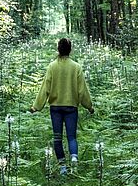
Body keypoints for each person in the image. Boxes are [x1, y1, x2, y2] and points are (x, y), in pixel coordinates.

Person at [30, 38, 94, 175]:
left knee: (57, 138)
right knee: (72, 137)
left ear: (58, 49)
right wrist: (89, 106)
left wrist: (36, 107)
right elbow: (82, 91)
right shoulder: (76, 67)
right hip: (71, 107)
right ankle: (74, 158)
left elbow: (45, 88)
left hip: (56, 108)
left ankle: (63, 168)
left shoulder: (52, 66)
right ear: (70, 50)